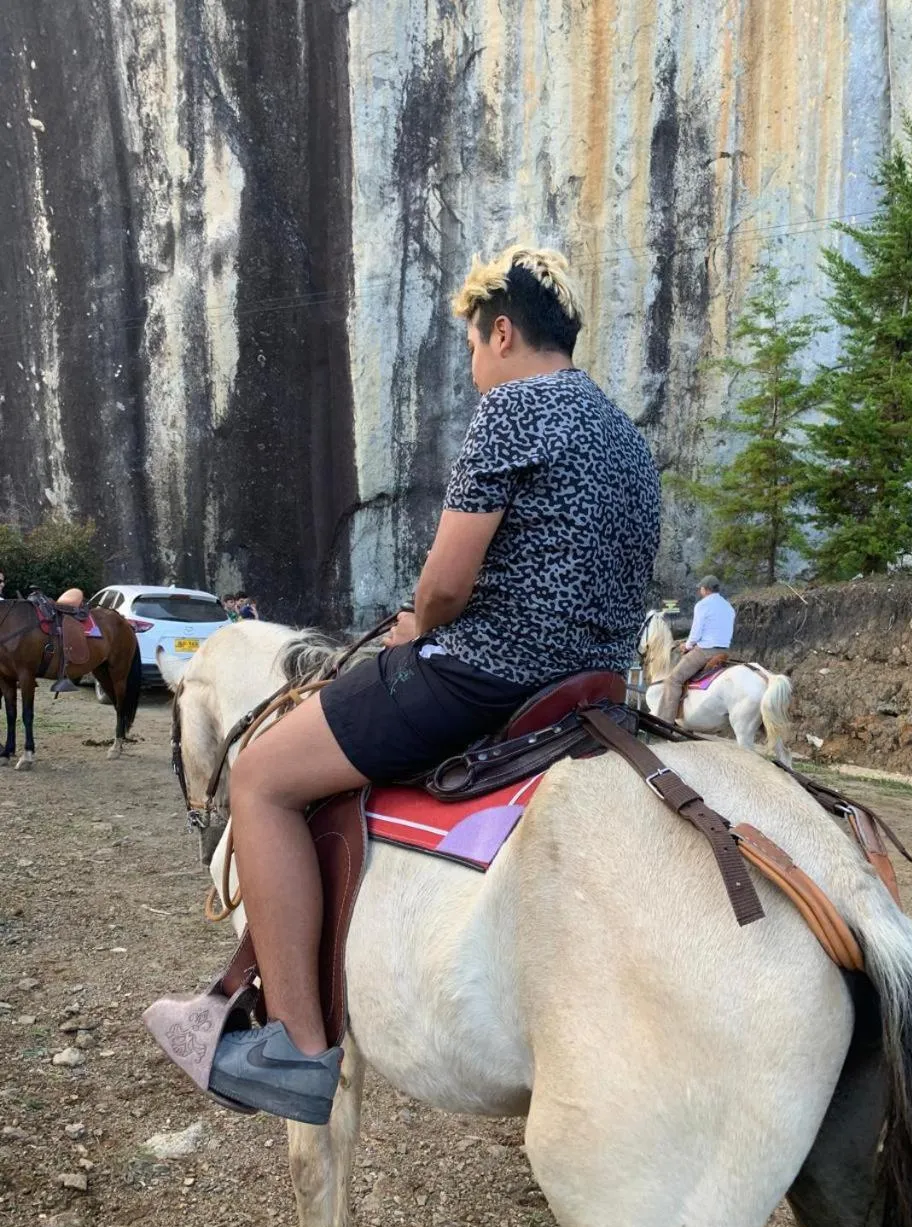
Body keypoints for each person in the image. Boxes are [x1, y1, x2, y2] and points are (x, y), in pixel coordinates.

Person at [155, 244, 661, 1124]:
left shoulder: (513, 411)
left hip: (486, 673)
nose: (473, 369)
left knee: (260, 779)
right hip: (592, 688)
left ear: (502, 332)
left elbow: (446, 586)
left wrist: (415, 625)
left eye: (473, 347)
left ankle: (296, 1047)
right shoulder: (624, 436)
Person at [657, 575, 736, 726]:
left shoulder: (702, 605)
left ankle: (664, 723)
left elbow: (696, 633)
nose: (700, 591)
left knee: (673, 680)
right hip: (724, 651)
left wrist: (687, 646)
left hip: (705, 652)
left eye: (701, 588)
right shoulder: (728, 607)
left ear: (706, 589)